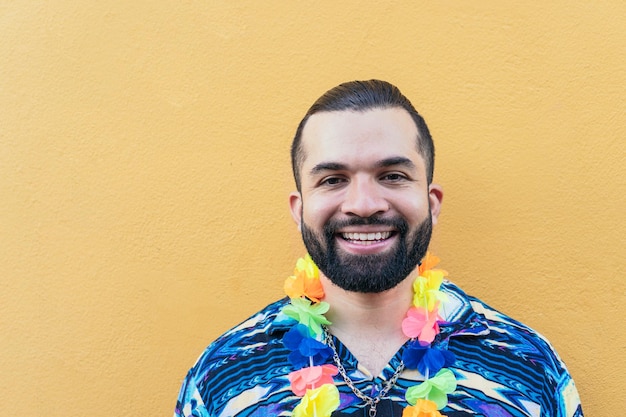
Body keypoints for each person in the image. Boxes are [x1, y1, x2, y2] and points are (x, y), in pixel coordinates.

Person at [173, 80, 583, 417]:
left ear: (432, 202)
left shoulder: (528, 368)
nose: (364, 204)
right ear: (299, 210)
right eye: (333, 179)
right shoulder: (223, 375)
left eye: (392, 175)